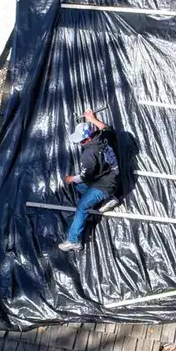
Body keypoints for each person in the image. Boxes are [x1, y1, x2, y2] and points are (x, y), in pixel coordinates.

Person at [59, 108, 119, 252]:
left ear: (86, 139)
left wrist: (71, 178)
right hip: (113, 174)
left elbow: (86, 176)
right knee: (80, 188)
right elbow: (107, 128)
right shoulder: (104, 136)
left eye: (80, 141)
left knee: (82, 207)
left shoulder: (88, 156)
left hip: (105, 184)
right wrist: (92, 119)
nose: (80, 143)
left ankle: (74, 241)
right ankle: (109, 198)